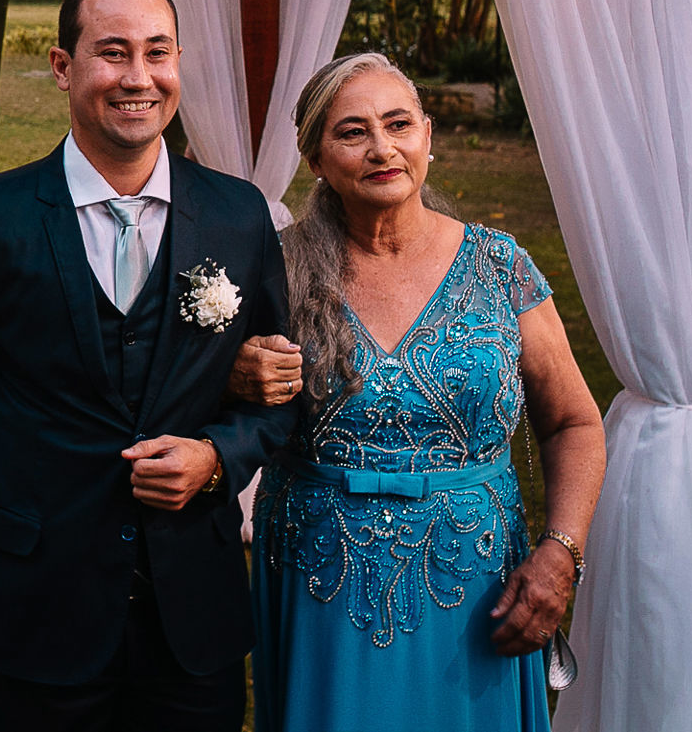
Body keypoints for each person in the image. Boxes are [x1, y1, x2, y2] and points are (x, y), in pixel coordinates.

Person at [0, 0, 297, 732]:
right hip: (32, 602)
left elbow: (278, 392)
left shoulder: (238, 215)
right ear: (63, 66)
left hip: (191, 609)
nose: (138, 77)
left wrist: (216, 457)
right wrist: (27, 474)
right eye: (113, 52)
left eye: (158, 51)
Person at [248, 52, 606, 732]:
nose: (382, 148)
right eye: (352, 132)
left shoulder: (500, 265)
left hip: (479, 586)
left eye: (398, 124)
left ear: (427, 135)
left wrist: (561, 551)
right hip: (322, 580)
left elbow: (573, 422)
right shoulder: (275, 269)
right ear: (316, 157)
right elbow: (220, 402)